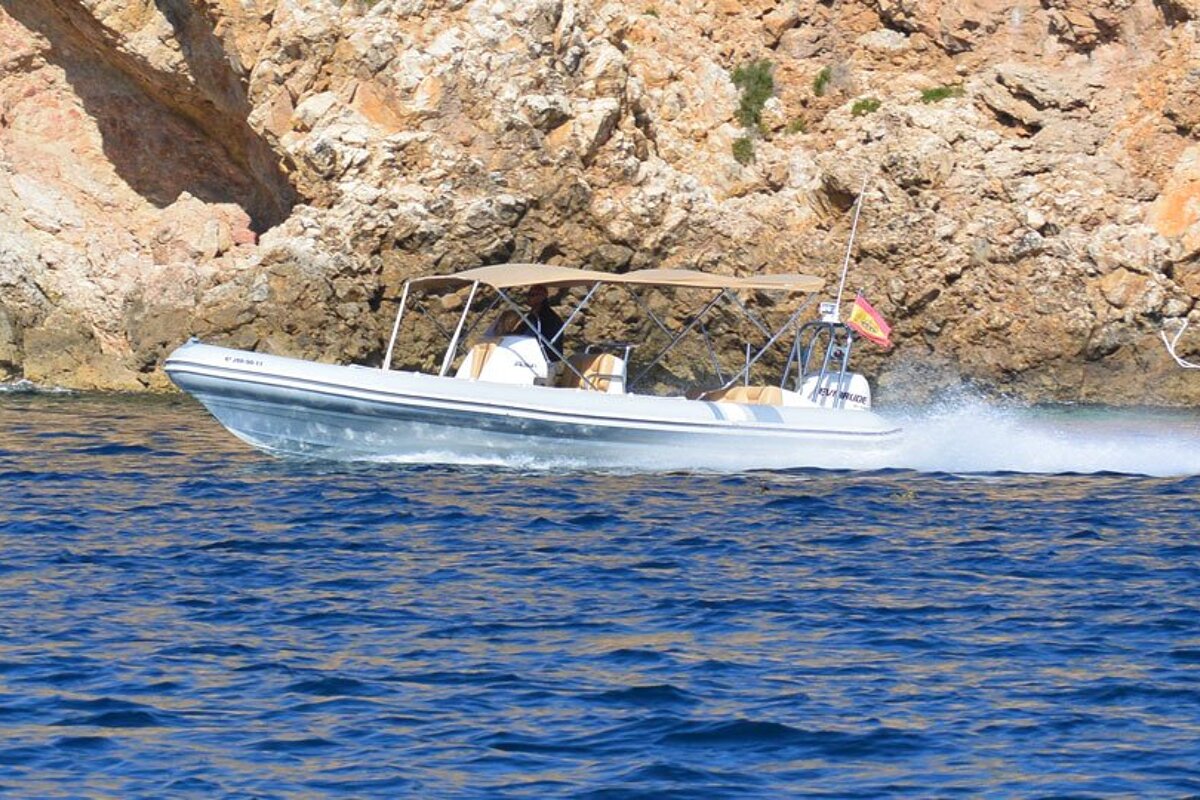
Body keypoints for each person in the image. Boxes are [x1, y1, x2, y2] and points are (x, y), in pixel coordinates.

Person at [524, 285, 564, 361]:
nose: (529, 298)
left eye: (533, 295)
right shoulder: (531, 316)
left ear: (542, 297)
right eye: (528, 295)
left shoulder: (549, 318)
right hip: (530, 354)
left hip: (545, 358)